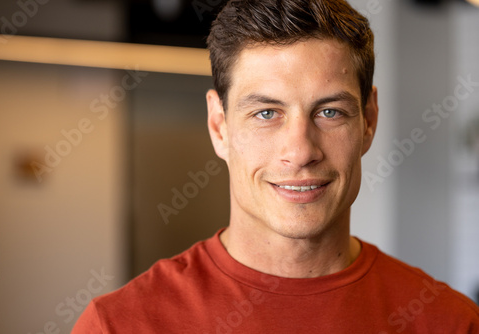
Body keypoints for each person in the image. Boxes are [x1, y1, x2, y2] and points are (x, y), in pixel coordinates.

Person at [72, 0, 479, 332]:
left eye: (330, 112)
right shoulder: (119, 325)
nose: (301, 151)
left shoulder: (451, 322)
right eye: (267, 113)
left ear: (369, 120)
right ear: (219, 126)